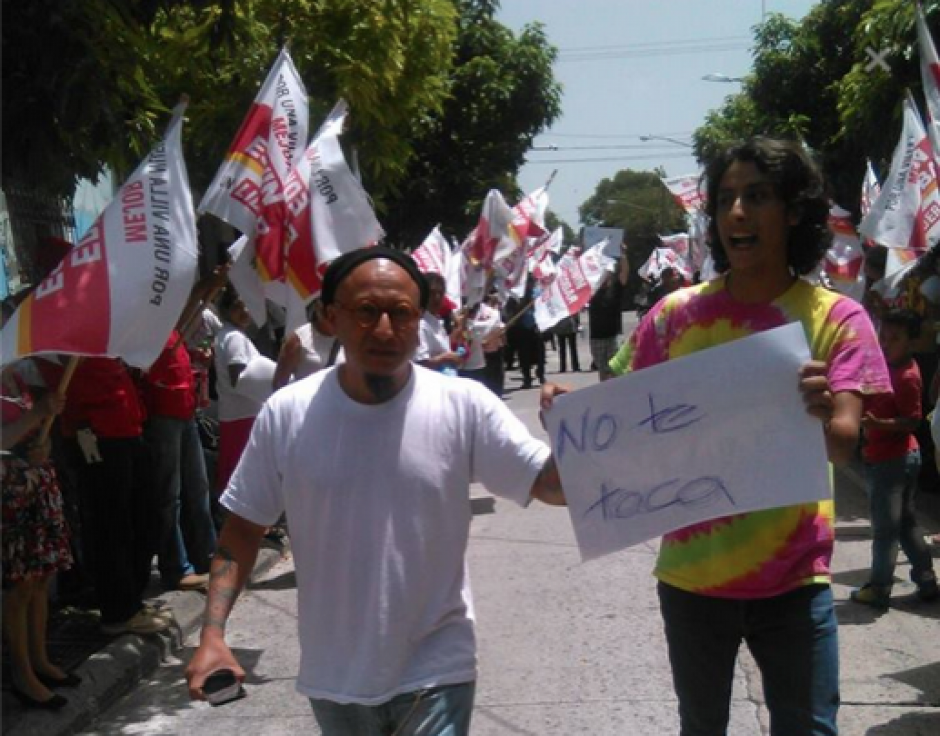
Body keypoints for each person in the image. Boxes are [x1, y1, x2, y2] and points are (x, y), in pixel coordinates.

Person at [545, 138, 890, 736]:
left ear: (793, 211)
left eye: (756, 197)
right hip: (691, 582)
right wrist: (569, 412)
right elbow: (620, 420)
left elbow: (841, 441)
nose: (736, 213)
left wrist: (823, 407)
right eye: (726, 199)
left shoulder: (836, 319)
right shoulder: (674, 316)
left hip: (795, 583)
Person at [185, 247, 565, 736]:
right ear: (330, 318)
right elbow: (241, 531)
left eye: (401, 312)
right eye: (366, 311)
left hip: (437, 666)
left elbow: (551, 486)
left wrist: (576, 433)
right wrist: (212, 635)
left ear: (419, 318)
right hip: (333, 676)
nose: (385, 329)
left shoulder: (464, 404)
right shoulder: (287, 415)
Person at [851, 309, 938, 609]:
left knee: (885, 529)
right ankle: (926, 579)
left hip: (894, 461)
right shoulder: (883, 365)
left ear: (912, 343)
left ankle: (879, 587)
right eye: (883, 336)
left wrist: (877, 425)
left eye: (895, 339)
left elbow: (912, 421)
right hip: (886, 456)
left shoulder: (907, 377)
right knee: (905, 523)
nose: (886, 343)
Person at [1, 359, 75, 709]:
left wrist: (43, 430)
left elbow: (31, 436)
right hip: (9, 495)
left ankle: (40, 659)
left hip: (36, 485)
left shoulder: (15, 377)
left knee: (41, 578)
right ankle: (22, 673)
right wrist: (37, 415)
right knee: (19, 585)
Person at [141, 330, 218, 592]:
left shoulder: (171, 324)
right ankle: (176, 567)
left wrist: (197, 358)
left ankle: (207, 557)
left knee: (198, 488)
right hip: (162, 413)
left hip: (185, 409)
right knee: (169, 496)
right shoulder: (142, 324)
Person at [213, 287, 266, 496]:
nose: (244, 311)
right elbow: (239, 376)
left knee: (232, 468)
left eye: (247, 305)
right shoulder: (235, 337)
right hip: (244, 415)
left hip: (235, 414)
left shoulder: (227, 333)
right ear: (226, 311)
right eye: (237, 306)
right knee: (242, 471)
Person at [273, 300, 342, 390]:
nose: (333, 318)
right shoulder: (297, 341)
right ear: (318, 308)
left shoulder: (350, 338)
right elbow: (279, 384)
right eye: (329, 313)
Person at [587, 248, 629, 381]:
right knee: (602, 372)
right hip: (596, 338)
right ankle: (606, 397)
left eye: (607, 272)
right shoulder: (592, 289)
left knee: (614, 370)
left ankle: (616, 396)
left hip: (613, 336)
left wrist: (623, 254)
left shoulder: (616, 287)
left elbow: (625, 272)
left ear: (611, 274)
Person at [413, 272, 465, 374]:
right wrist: (446, 358)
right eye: (432, 293)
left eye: (440, 293)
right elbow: (420, 364)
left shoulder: (436, 322)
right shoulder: (421, 325)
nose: (437, 298)